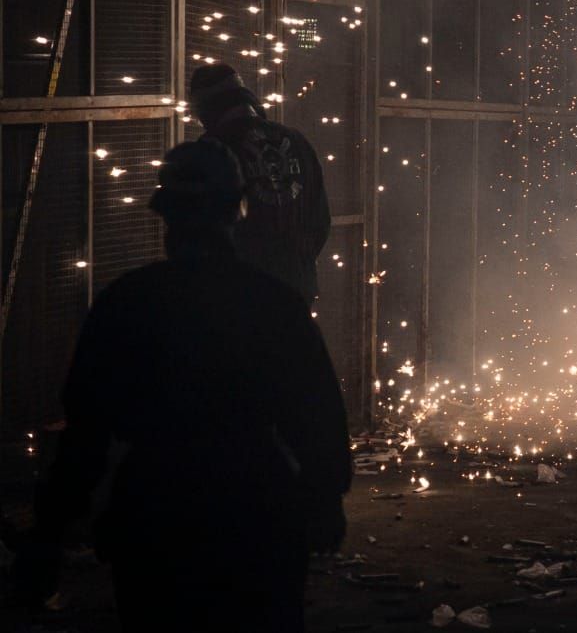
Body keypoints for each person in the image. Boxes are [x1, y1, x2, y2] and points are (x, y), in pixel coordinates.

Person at [14, 140, 352, 632]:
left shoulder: (128, 302)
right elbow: (317, 414)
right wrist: (325, 499)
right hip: (255, 513)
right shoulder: (272, 304)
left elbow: (84, 434)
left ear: (165, 216)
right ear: (237, 211)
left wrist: (47, 534)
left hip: (158, 515)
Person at [189, 63, 330, 304]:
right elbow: (320, 220)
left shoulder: (211, 150)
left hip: (239, 298)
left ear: (207, 109)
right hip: (297, 290)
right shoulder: (296, 140)